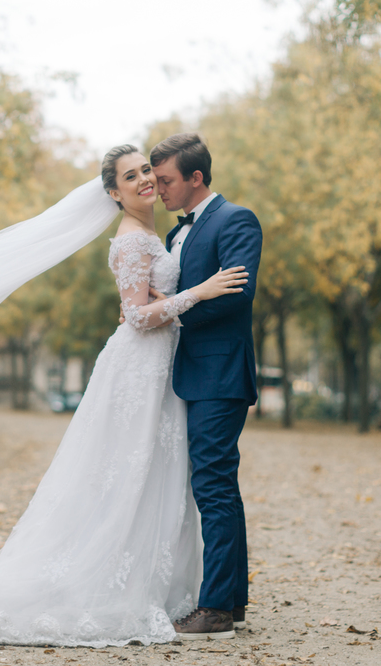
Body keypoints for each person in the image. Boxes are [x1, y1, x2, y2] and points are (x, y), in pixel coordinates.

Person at [0, 145, 250, 646]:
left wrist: (167, 301)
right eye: (131, 176)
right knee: (127, 470)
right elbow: (136, 316)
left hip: (165, 366)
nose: (145, 180)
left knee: (158, 472)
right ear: (113, 193)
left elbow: (147, 303)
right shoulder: (132, 239)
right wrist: (197, 293)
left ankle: (187, 589)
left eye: (147, 170)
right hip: (140, 367)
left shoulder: (161, 234)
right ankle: (120, 581)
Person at [149, 133, 263, 640]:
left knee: (213, 484)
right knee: (218, 484)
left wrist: (175, 314)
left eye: (166, 180)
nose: (159, 189)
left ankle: (214, 609)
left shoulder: (236, 219)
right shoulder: (176, 233)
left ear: (196, 177)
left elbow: (237, 293)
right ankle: (231, 603)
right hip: (193, 371)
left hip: (220, 372)